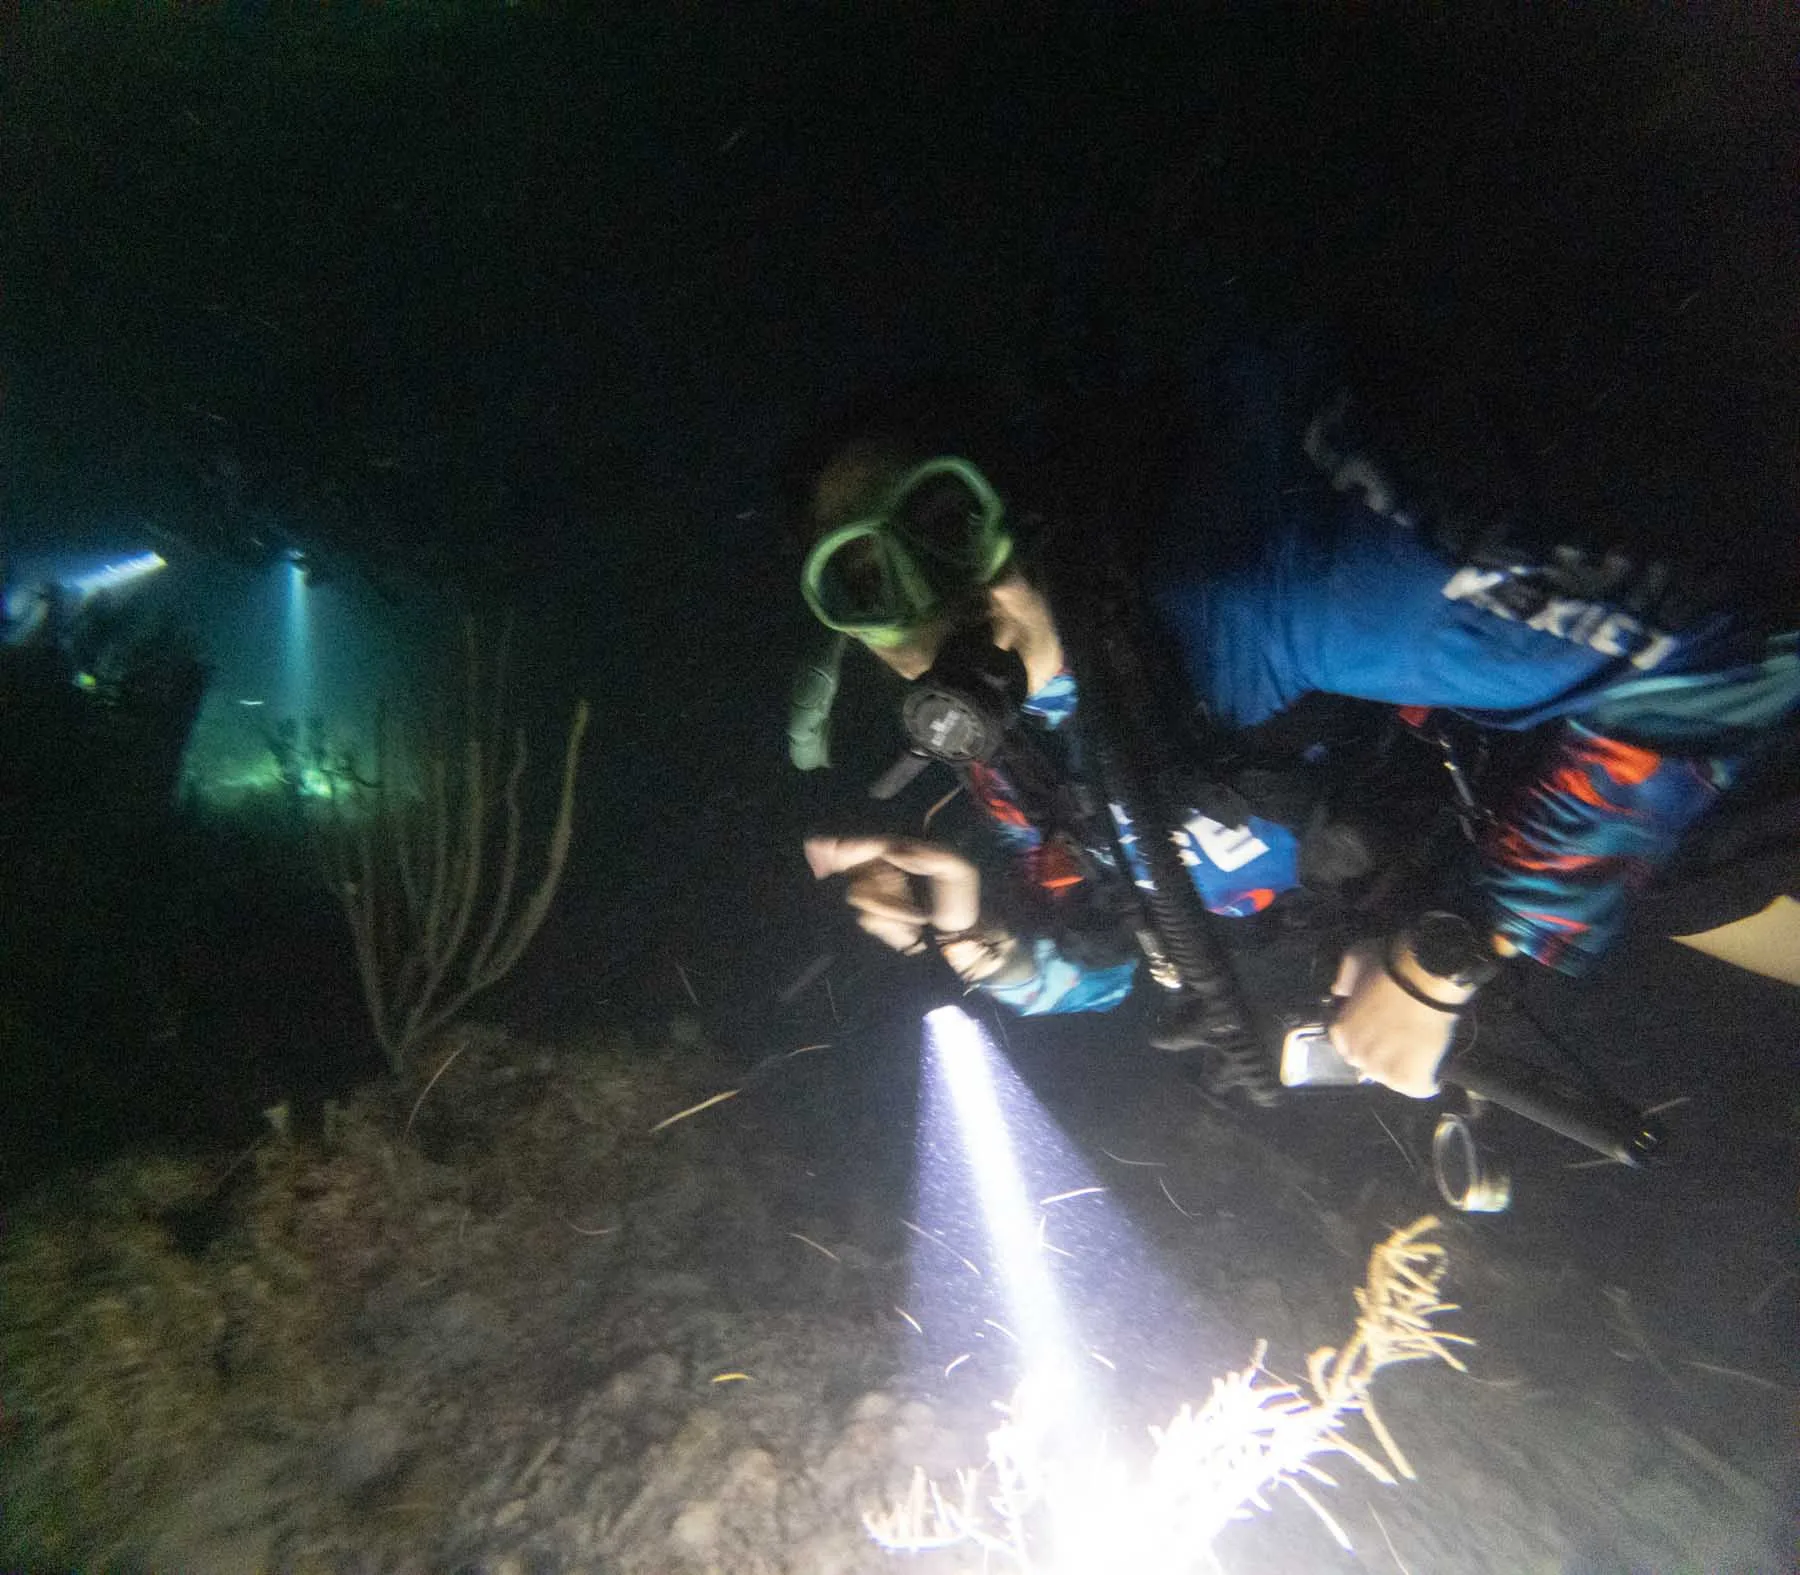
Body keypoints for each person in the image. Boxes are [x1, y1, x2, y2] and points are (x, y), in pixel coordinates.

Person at [787, 340, 1800, 1098]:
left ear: (1027, 499)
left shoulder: (1278, 591)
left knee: (1721, 885)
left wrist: (1459, 951)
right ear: (859, 641)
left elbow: (1716, 654)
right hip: (1406, 949)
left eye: (944, 522)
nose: (930, 597)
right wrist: (978, 935)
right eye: (866, 580)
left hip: (1638, 845)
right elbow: (1113, 955)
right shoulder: (1009, 744)